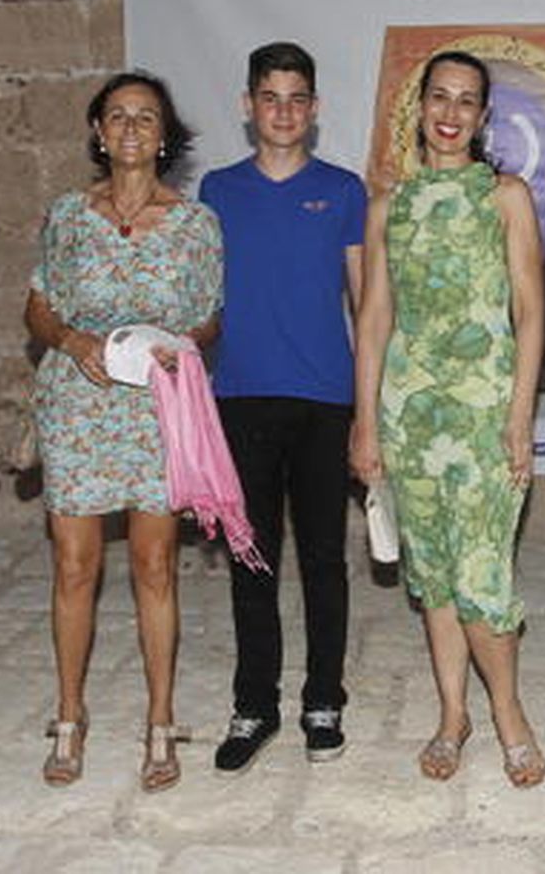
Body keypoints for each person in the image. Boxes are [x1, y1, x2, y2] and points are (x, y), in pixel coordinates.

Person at [351, 50, 545, 788]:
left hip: (487, 413)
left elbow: (531, 312)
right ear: (420, 106)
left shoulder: (506, 197)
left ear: (484, 116)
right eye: (440, 96)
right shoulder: (387, 207)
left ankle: (509, 715)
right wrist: (366, 422)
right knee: (433, 574)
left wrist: (521, 415)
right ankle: (451, 715)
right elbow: (374, 320)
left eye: (467, 101)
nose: (451, 112)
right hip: (410, 416)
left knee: (481, 575)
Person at [25, 70, 222, 793]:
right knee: (75, 567)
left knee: (154, 565)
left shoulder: (196, 224)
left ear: (164, 135)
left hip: (155, 408)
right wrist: (71, 339)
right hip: (79, 406)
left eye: (146, 116)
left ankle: (160, 718)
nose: (132, 127)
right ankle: (69, 714)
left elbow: (209, 316)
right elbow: (38, 306)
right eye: (118, 115)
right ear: (98, 132)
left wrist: (181, 345)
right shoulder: (68, 216)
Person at [199, 43, 366, 772]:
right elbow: (197, 296)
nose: (284, 112)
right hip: (240, 398)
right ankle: (254, 705)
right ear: (248, 106)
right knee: (252, 560)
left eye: (297, 99)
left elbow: (367, 304)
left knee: (325, 560)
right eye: (271, 98)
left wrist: (368, 407)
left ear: (315, 108)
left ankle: (324, 699)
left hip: (326, 399)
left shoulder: (344, 190)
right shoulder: (217, 189)